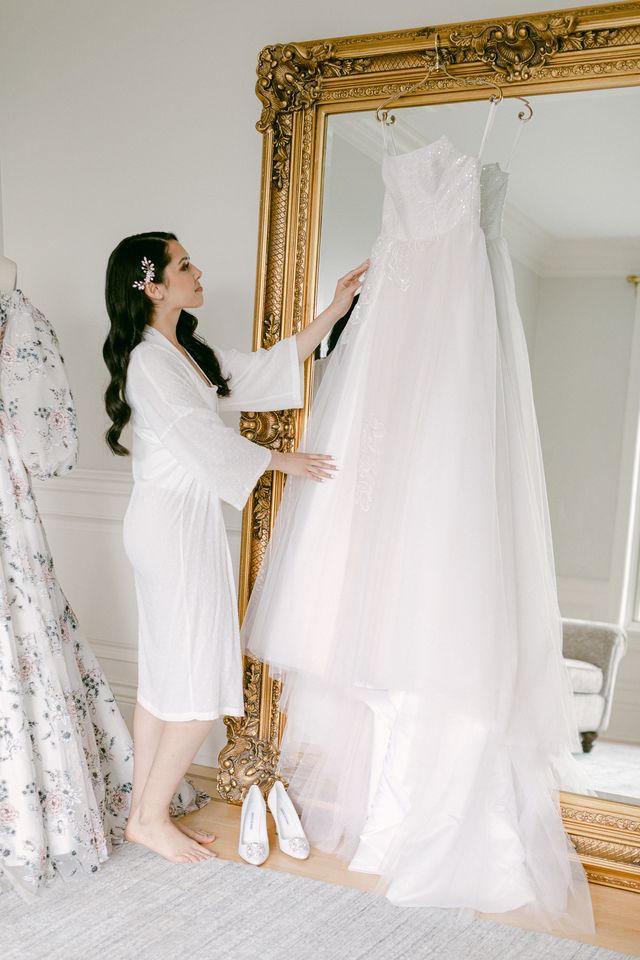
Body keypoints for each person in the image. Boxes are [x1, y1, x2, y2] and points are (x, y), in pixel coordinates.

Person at [102, 230, 367, 864]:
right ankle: (150, 818)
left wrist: (333, 311)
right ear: (154, 287)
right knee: (196, 676)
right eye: (184, 265)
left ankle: (146, 815)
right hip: (172, 533)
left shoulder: (179, 351)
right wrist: (284, 461)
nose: (198, 272)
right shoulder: (148, 362)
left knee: (167, 677)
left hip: (174, 528)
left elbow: (256, 371)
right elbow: (200, 439)